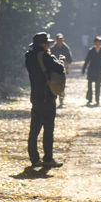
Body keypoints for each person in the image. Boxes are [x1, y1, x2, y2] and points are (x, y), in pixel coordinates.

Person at [24, 32, 65, 168]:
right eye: (47, 43)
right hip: (47, 97)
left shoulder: (28, 57)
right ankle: (48, 159)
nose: (49, 45)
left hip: (35, 96)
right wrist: (59, 60)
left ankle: (34, 158)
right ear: (42, 44)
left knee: (34, 129)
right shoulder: (45, 56)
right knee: (48, 129)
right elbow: (59, 68)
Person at [82, 35, 101, 105]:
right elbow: (87, 60)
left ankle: (97, 99)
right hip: (91, 70)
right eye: (96, 42)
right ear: (94, 43)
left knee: (98, 86)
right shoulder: (91, 50)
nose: (98, 44)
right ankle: (89, 99)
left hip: (99, 70)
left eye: (99, 42)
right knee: (89, 86)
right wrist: (84, 68)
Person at [52, 33, 73, 108]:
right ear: (56, 40)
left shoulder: (66, 48)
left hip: (63, 70)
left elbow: (70, 58)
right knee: (54, 84)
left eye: (61, 40)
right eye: (59, 40)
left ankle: (61, 100)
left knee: (62, 84)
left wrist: (67, 63)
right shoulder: (53, 49)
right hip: (54, 70)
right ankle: (54, 100)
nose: (60, 41)